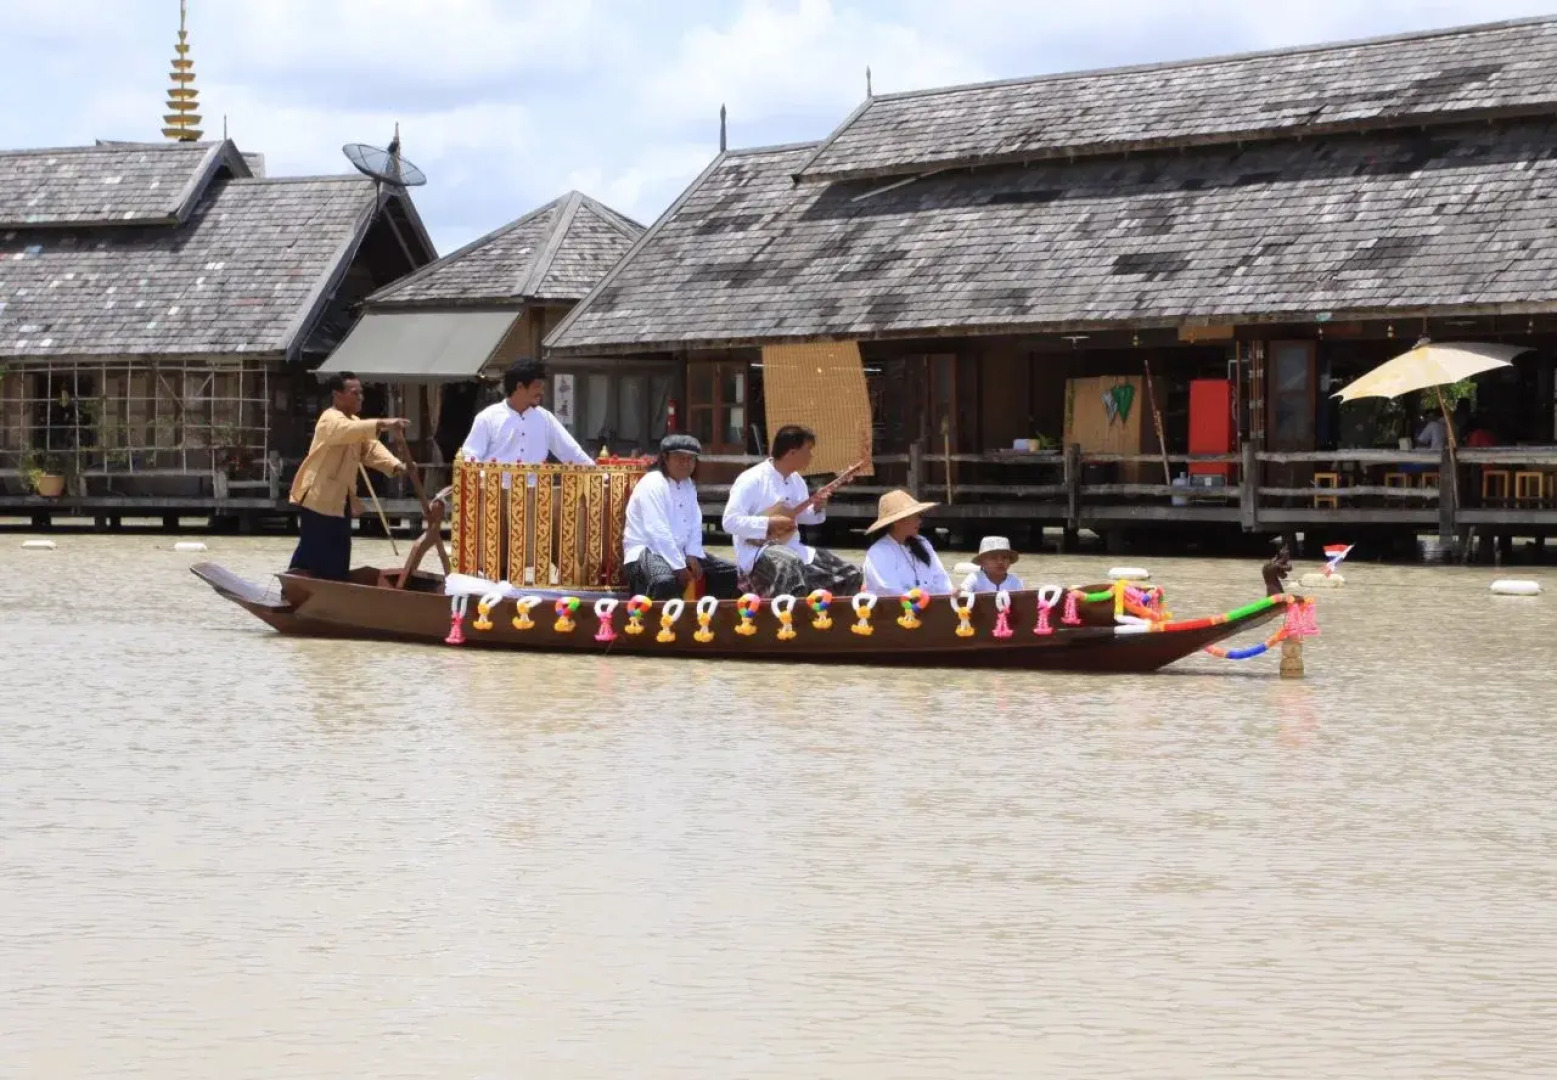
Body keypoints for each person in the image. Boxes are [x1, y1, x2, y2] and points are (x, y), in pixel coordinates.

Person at [288, 371, 408, 581]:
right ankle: (291, 591)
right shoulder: (330, 419)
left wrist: (398, 466)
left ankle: (334, 592)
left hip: (340, 500)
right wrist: (383, 424)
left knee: (340, 551)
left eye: (361, 393)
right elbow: (346, 430)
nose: (360, 397)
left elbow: (370, 449)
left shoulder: (354, 423)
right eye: (355, 393)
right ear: (338, 395)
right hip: (318, 498)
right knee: (312, 549)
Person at [721, 424, 863, 597]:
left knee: (848, 574)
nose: (811, 455)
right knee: (789, 564)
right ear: (792, 452)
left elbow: (802, 516)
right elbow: (729, 521)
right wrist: (769, 523)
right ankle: (787, 621)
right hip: (758, 552)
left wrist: (817, 507)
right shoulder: (751, 479)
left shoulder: (797, 481)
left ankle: (831, 622)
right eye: (808, 450)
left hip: (792, 546)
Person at [623, 434, 739, 600]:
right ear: (665, 458)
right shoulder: (652, 483)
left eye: (690, 459)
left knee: (729, 572)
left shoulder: (688, 485)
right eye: (680, 458)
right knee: (665, 581)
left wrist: (692, 554)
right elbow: (657, 530)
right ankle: (652, 625)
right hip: (647, 551)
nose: (686, 464)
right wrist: (678, 566)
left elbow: (694, 523)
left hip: (681, 552)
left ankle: (708, 620)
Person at [459, 358, 594, 466]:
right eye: (537, 386)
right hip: (495, 496)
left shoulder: (545, 419)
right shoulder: (487, 418)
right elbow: (470, 456)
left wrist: (601, 477)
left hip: (535, 496)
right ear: (519, 387)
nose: (541, 392)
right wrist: (487, 482)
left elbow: (572, 452)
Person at [862, 489, 955, 596]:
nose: (919, 521)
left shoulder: (923, 543)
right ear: (897, 521)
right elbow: (889, 591)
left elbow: (941, 580)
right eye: (915, 516)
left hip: (930, 607)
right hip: (897, 610)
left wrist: (951, 593)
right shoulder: (878, 552)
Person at [960, 536, 1024, 594]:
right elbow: (962, 592)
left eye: (1004, 557)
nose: (1000, 562)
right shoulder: (974, 578)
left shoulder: (1015, 581)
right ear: (982, 562)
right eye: (993, 558)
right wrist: (959, 592)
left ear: (1010, 561)